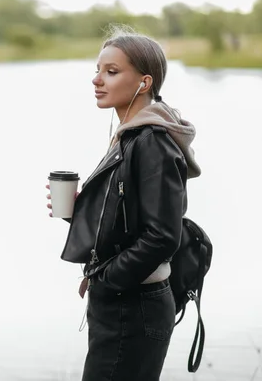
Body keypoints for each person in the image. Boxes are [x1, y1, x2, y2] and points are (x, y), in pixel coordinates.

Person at [46, 25, 202, 381]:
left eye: (111, 72)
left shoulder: (152, 142)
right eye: (97, 70)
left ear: (144, 83)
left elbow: (162, 235)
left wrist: (106, 279)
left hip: (134, 306)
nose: (97, 80)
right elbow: (130, 222)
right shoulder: (129, 136)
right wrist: (82, 213)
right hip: (125, 302)